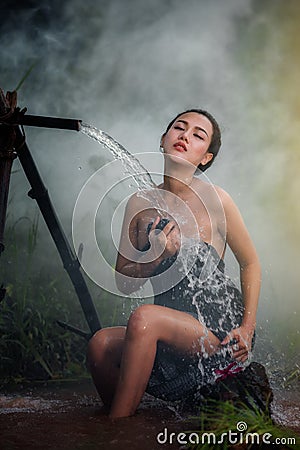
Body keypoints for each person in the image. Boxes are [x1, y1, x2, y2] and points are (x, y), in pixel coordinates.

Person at [87, 109, 261, 419]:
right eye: (179, 128)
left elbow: (250, 263)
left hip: (214, 331)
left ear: (205, 158)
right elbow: (125, 282)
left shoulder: (217, 200)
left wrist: (246, 329)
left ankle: (116, 431)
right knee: (100, 345)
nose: (184, 135)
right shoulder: (140, 202)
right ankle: (132, 416)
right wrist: (154, 256)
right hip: (162, 326)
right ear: (163, 141)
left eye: (198, 135)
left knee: (144, 318)